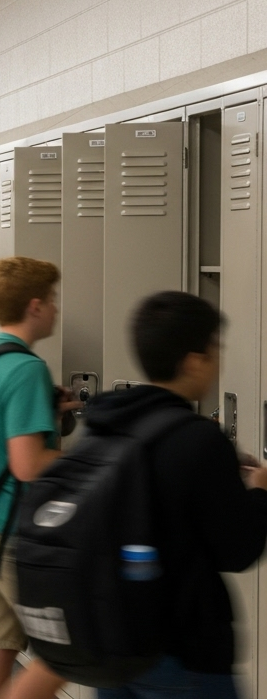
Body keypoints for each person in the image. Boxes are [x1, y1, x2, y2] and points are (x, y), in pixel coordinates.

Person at [89, 292, 267, 698]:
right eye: (214, 349)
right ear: (193, 360)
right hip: (185, 650)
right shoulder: (198, 439)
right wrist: (259, 493)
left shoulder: (108, 423)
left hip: (115, 639)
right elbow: (237, 551)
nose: (218, 360)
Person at [0, 256, 76, 699]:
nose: (56, 309)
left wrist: (48, 413)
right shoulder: (27, 368)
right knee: (68, 648)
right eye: (52, 300)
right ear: (34, 306)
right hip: (11, 528)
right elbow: (28, 464)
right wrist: (89, 463)